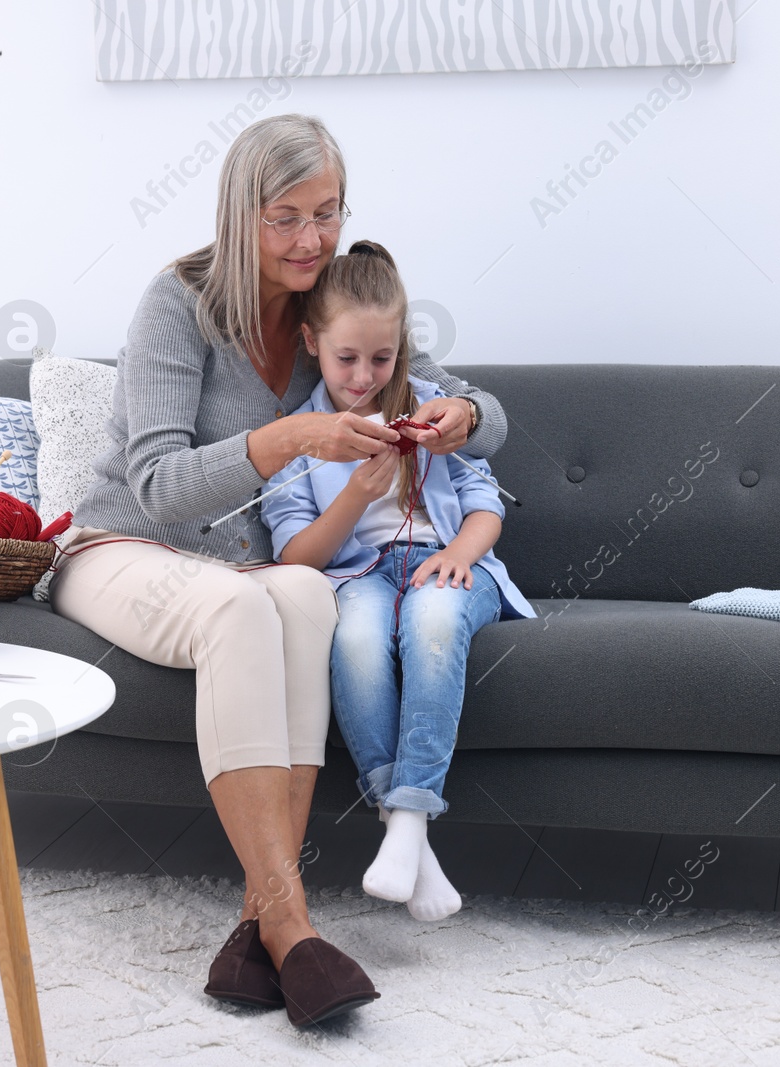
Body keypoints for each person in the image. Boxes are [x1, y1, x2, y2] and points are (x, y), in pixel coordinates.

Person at [49, 114, 512, 1028]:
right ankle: (290, 921)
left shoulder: (327, 301)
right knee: (241, 605)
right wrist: (287, 437)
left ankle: (258, 929)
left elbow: (481, 413)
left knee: (303, 592)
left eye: (328, 213)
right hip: (122, 546)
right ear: (239, 215)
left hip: (252, 574)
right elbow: (157, 483)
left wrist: (459, 412)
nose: (311, 239)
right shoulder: (177, 303)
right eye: (286, 217)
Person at [260, 239, 533, 923]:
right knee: (353, 640)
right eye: (346, 357)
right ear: (312, 342)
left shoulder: (436, 408)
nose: (363, 375)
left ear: (402, 348)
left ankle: (407, 819)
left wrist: (462, 554)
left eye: (381, 358)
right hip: (357, 575)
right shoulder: (296, 435)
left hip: (446, 560)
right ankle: (410, 836)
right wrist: (354, 494)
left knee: (434, 621)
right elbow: (297, 556)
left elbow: (486, 502)